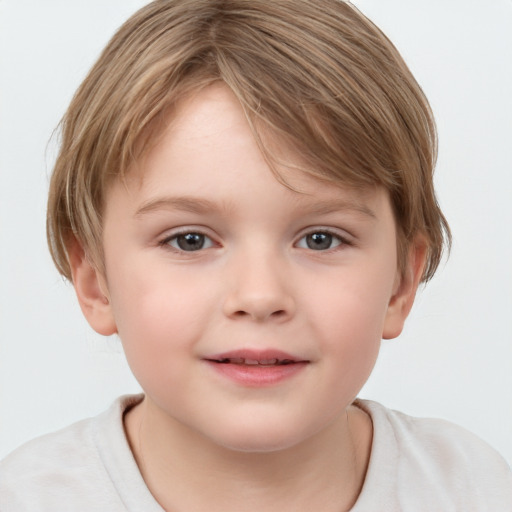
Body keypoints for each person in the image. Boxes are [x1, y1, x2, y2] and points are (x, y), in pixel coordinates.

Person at [1, 0, 511, 510]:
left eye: (321, 239)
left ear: (401, 282)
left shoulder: (475, 490)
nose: (260, 296)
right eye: (189, 240)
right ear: (94, 279)